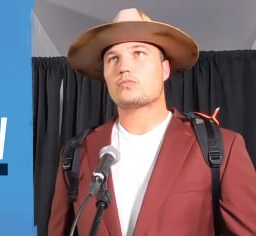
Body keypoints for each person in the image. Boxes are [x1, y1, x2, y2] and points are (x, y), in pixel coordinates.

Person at [47, 8, 256, 236]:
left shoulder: (222, 147)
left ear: (165, 69)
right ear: (104, 73)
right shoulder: (76, 153)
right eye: (113, 58)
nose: (124, 67)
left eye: (139, 53)